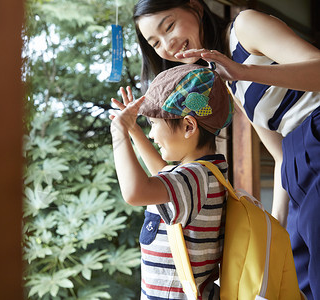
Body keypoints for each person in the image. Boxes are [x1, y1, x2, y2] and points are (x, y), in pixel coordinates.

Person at [131, 1, 320, 298]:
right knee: (300, 278)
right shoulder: (222, 76)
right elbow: (280, 154)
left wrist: (243, 71)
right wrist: (274, 228)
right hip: (298, 157)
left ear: (195, 6)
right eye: (155, 42)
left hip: (315, 134)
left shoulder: (244, 28)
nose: (167, 45)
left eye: (168, 26)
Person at [110, 63, 234, 299]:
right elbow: (162, 173)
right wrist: (133, 130)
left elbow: (135, 192)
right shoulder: (203, 173)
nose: (151, 134)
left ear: (189, 126)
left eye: (154, 124)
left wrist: (119, 134)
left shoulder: (197, 178)